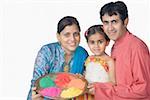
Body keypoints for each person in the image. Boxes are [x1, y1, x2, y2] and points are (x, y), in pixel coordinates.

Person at [88, 1, 150, 100]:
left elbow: (143, 89)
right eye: (106, 23)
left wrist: (103, 90)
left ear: (125, 22)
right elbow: (117, 82)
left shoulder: (137, 47)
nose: (110, 28)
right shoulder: (115, 46)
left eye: (114, 22)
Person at [27, 16, 88, 100]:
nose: (72, 39)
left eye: (76, 34)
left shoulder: (82, 54)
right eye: (67, 35)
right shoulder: (48, 51)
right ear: (58, 36)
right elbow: (36, 82)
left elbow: (84, 83)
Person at [83, 25, 116, 100]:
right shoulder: (89, 59)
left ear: (107, 42)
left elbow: (113, 83)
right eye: (92, 42)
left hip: (101, 96)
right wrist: (80, 78)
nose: (96, 46)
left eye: (100, 42)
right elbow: (86, 76)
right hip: (87, 95)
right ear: (88, 43)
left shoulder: (109, 61)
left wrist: (98, 87)